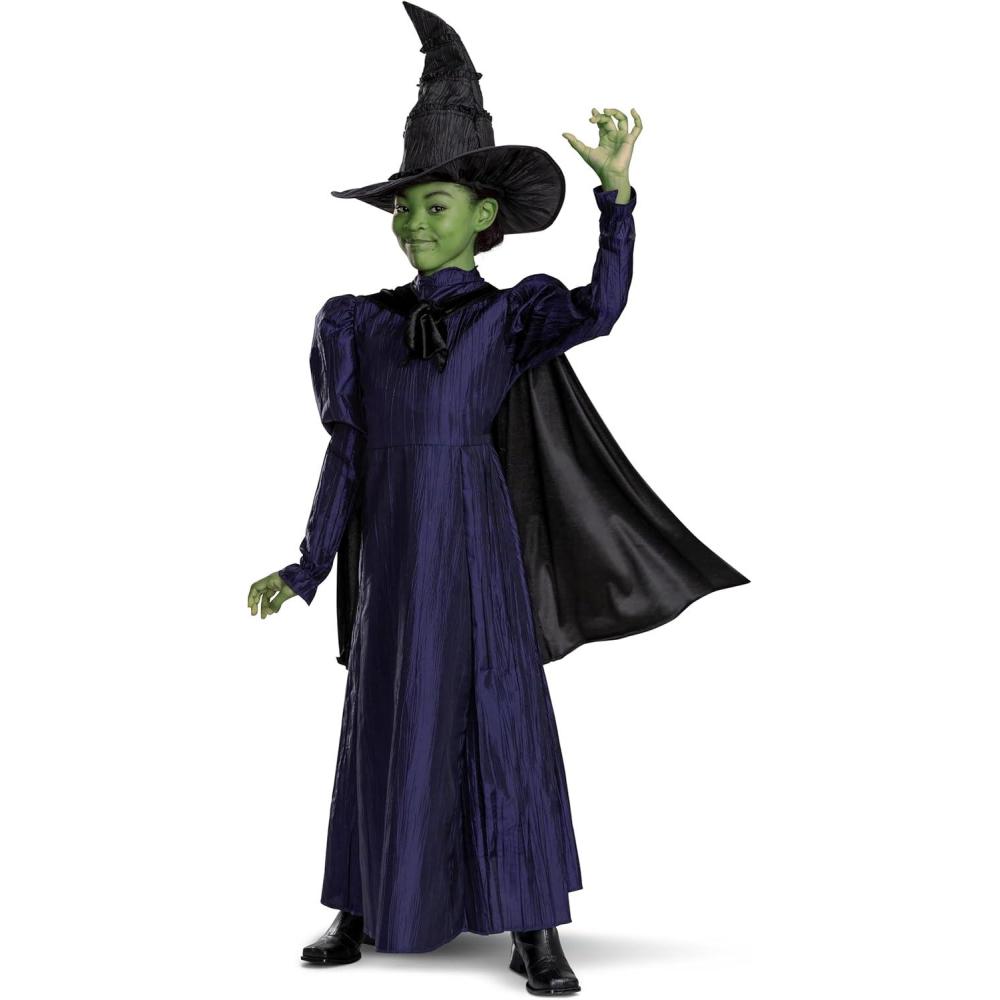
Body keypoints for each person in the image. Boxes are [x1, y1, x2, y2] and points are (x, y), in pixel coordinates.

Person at [248, 4, 747, 993]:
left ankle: (532, 926)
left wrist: (617, 201)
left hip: (475, 539)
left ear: (484, 217)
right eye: (403, 208)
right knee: (384, 713)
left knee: (497, 714)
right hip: (391, 548)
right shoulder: (351, 324)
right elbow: (346, 454)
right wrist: (307, 566)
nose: (412, 224)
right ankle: (363, 901)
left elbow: (601, 311)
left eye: (433, 205)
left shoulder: (511, 316)